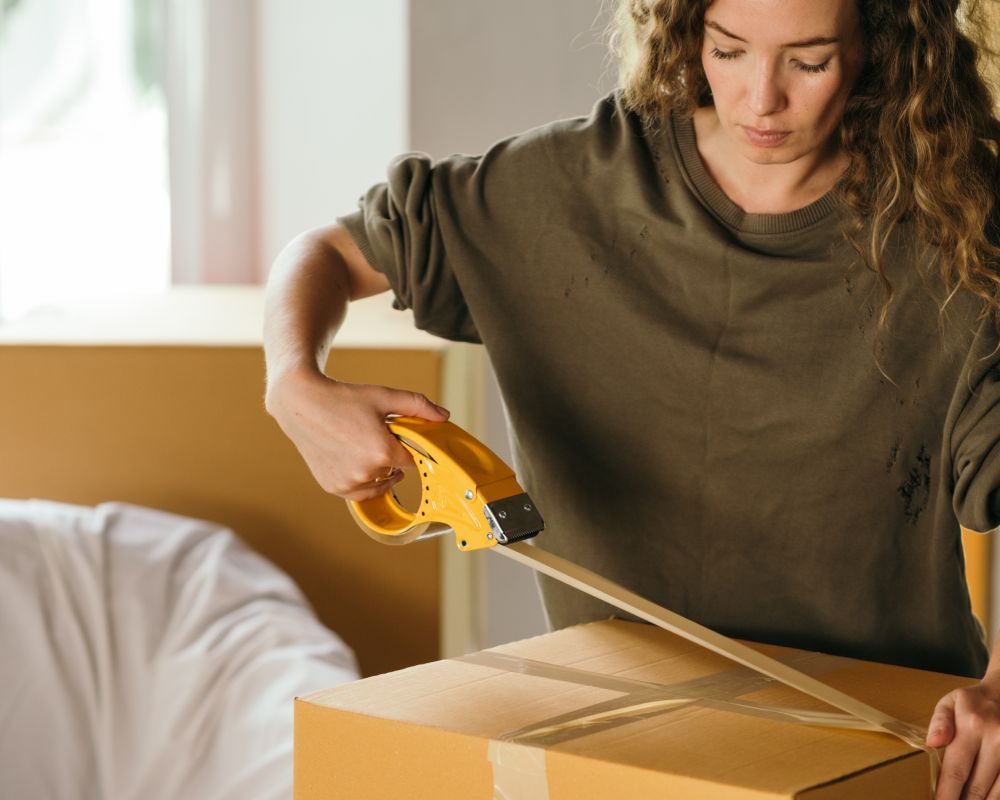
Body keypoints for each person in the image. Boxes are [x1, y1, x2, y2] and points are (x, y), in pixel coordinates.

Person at [263, 1, 1000, 797]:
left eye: (809, 61)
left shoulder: (959, 224)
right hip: (622, 756)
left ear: (878, 46)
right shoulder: (565, 187)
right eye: (728, 50)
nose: (760, 99)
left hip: (893, 751)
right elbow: (330, 252)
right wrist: (293, 381)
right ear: (688, 30)